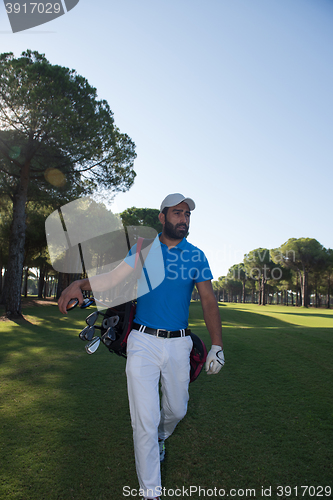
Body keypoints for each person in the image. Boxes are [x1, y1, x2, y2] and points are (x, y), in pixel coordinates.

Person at [58, 193, 224, 500]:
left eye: (187, 215)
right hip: (142, 342)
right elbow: (112, 278)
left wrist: (216, 345)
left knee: (176, 409)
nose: (183, 219)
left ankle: (163, 436)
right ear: (162, 218)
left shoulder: (196, 255)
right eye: (177, 213)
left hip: (179, 345)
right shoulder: (144, 250)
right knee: (144, 420)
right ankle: (151, 493)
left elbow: (208, 300)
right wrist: (79, 285)